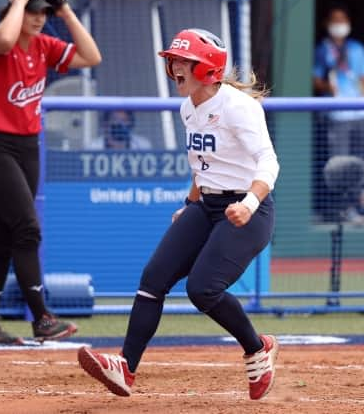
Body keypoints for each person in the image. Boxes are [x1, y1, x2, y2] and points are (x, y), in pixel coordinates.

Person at [77, 28, 280, 400]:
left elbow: (269, 162)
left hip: (249, 209)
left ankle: (257, 349)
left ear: (209, 70)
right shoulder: (189, 108)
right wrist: (189, 207)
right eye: (174, 61)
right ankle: (126, 368)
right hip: (208, 205)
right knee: (153, 278)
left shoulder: (238, 107)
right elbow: (202, 167)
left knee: (202, 290)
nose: (175, 67)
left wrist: (248, 204)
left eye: (185, 61)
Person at [0, 0, 101, 344]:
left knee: (5, 239)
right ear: (17, 10)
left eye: (43, 12)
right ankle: (42, 317)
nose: (39, 19)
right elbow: (5, 41)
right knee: (28, 228)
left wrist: (65, 11)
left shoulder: (44, 46)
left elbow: (92, 57)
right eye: (33, 12)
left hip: (28, 148)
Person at [313, 3, 364, 226]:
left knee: (360, 164)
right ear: (327, 23)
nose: (339, 25)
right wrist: (326, 87)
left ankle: (359, 205)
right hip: (336, 117)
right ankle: (342, 209)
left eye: (343, 20)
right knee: (339, 164)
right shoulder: (322, 49)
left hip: (360, 115)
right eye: (335, 20)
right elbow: (315, 80)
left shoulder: (357, 49)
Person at [85, 109, 152, 150]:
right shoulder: (93, 147)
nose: (120, 124)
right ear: (106, 123)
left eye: (124, 120)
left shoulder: (142, 145)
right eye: (115, 119)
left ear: (130, 123)